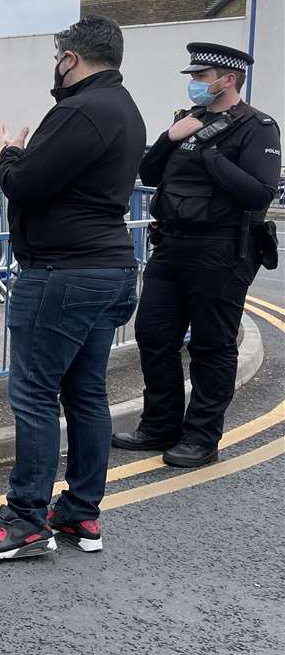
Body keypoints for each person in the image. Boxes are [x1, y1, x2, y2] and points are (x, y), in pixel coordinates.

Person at [0, 15, 145, 560]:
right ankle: (82, 513)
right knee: (86, 392)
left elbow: (27, 184)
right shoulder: (124, 106)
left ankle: (25, 518)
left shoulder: (79, 110)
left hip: (64, 272)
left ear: (70, 58)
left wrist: (6, 156)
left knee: (35, 393)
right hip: (106, 267)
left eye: (57, 58)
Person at [114, 42, 280, 468]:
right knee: (153, 336)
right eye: (193, 77)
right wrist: (170, 138)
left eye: (201, 77)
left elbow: (259, 193)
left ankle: (201, 438)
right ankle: (160, 425)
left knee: (212, 346)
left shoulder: (257, 127)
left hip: (221, 250)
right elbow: (149, 174)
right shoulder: (187, 121)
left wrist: (209, 154)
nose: (194, 84)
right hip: (171, 246)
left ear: (228, 79)